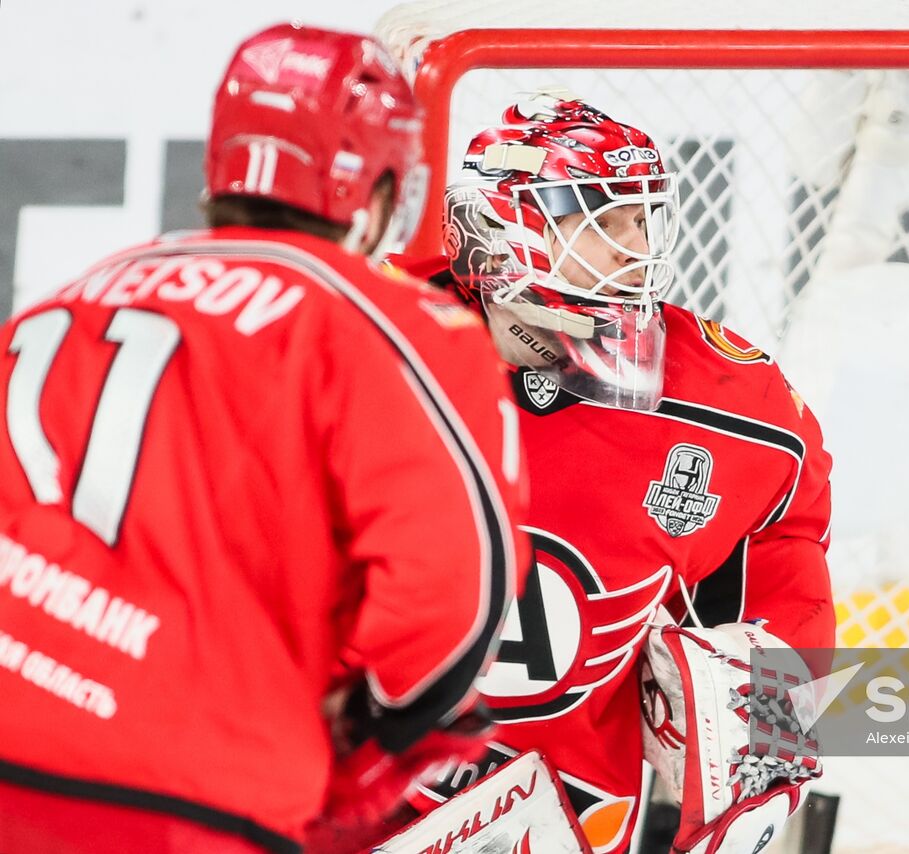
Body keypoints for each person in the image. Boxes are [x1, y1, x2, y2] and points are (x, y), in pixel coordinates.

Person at [0, 23, 525, 854]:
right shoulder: (402, 329)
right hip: (200, 796)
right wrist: (376, 732)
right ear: (377, 191)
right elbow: (449, 597)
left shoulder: (79, 294)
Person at [390, 92, 835, 853]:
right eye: (603, 220)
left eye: (641, 217)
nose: (638, 246)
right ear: (505, 233)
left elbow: (782, 546)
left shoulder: (729, 407)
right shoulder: (358, 345)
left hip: (571, 818)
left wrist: (769, 726)